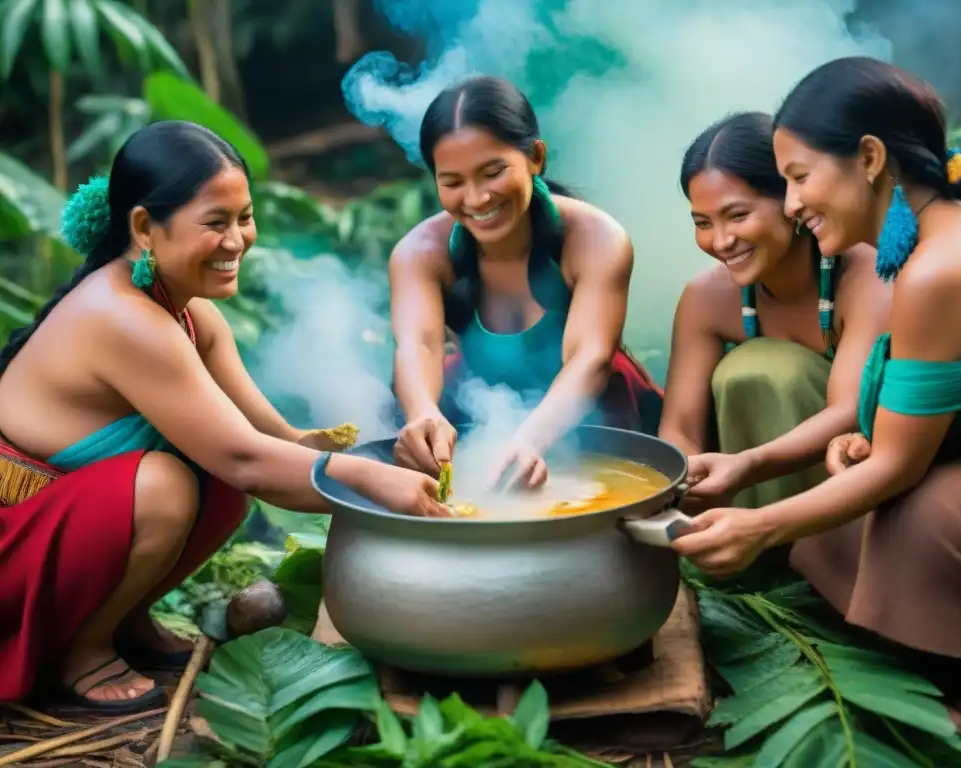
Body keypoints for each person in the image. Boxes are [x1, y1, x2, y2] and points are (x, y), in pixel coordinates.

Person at [0, 120, 450, 715]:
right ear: (143, 229)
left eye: (244, 217)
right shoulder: (122, 319)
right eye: (215, 222)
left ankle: (124, 622)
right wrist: (367, 482)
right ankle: (80, 648)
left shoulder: (189, 313)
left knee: (212, 483)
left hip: (73, 523)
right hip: (17, 537)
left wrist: (369, 449)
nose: (238, 239)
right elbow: (247, 460)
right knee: (168, 487)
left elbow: (268, 437)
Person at [671, 57, 961, 742]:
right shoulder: (950, 235)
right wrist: (753, 469)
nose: (795, 202)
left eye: (799, 178)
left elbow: (898, 466)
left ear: (868, 157)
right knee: (841, 524)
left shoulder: (939, 270)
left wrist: (757, 526)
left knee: (914, 509)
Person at [389, 75, 663, 490]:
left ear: (535, 157)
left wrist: (529, 438)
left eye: (492, 172)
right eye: (453, 182)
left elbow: (590, 358)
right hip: (477, 400)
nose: (477, 198)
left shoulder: (595, 238)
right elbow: (419, 345)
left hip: (591, 408)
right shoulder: (420, 253)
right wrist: (423, 411)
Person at [660, 112, 890, 511]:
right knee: (746, 371)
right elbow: (680, 426)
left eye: (737, 215)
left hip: (858, 486)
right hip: (739, 492)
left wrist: (746, 465)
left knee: (769, 369)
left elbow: (848, 412)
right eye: (702, 222)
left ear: (791, 199)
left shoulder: (865, 276)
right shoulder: (706, 296)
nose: (721, 240)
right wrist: (685, 479)